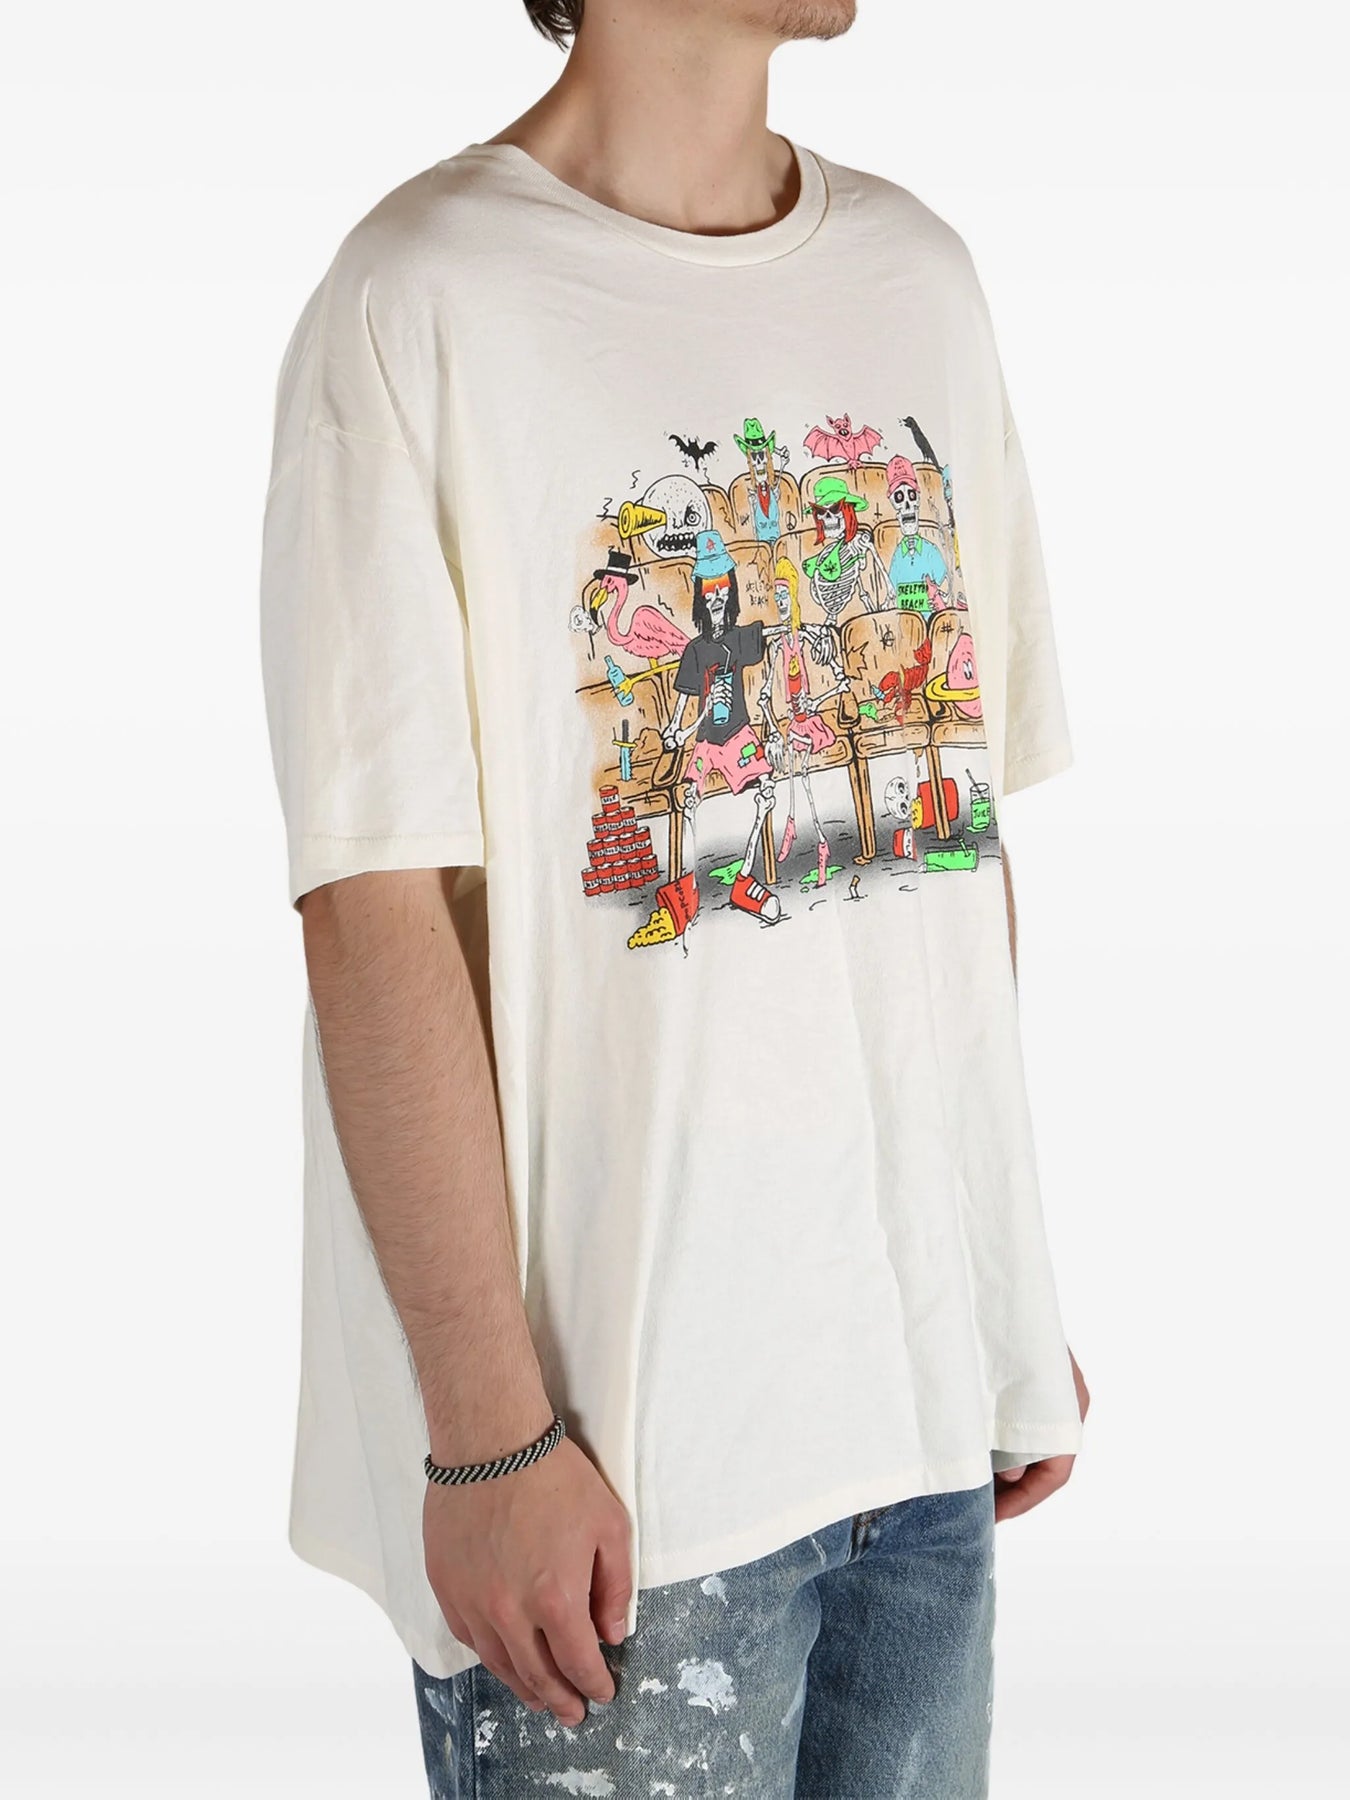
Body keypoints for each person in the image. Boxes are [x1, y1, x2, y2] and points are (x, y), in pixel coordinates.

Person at [257, 2, 1091, 1794]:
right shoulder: (424, 298)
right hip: (616, 1491)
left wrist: (999, 1290)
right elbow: (372, 905)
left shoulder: (916, 278)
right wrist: (487, 1441)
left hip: (919, 1434)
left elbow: (947, 835)